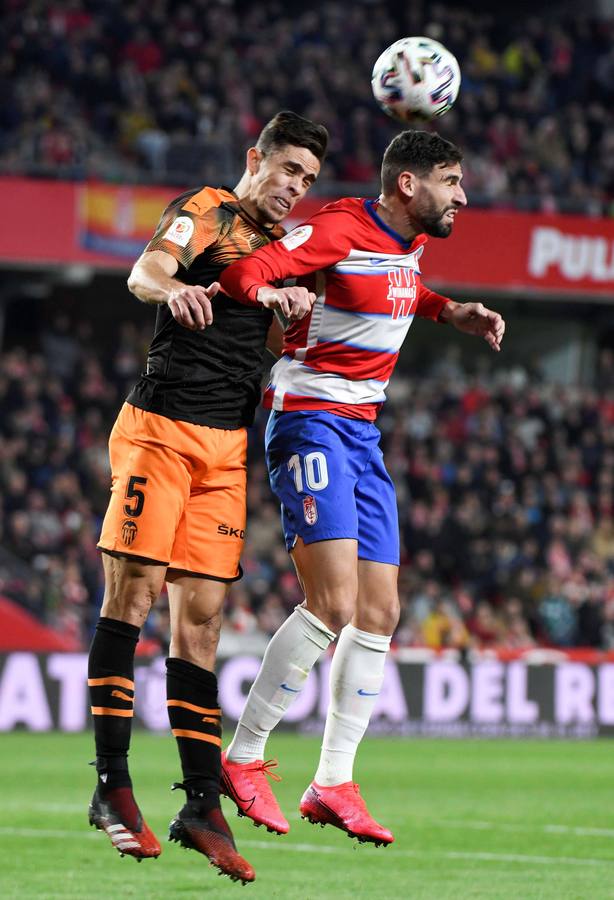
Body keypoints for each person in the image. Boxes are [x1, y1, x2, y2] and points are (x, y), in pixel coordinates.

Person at [218, 130, 505, 845]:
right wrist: (270, 292)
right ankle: (243, 755)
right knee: (333, 601)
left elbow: (391, 286)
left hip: (362, 430)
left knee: (379, 611)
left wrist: (448, 311)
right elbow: (247, 271)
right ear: (409, 185)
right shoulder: (342, 224)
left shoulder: (408, 241)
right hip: (310, 417)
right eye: (450, 180)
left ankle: (333, 780)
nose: (462, 195)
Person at [87, 111, 328, 883]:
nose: (295, 187)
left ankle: (199, 805)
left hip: (226, 449)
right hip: (160, 429)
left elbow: (266, 347)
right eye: (287, 168)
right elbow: (146, 273)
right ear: (254, 158)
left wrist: (290, 316)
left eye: (308, 179)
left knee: (202, 625)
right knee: (135, 597)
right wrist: (174, 291)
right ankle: (112, 787)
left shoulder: (290, 257)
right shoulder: (209, 210)